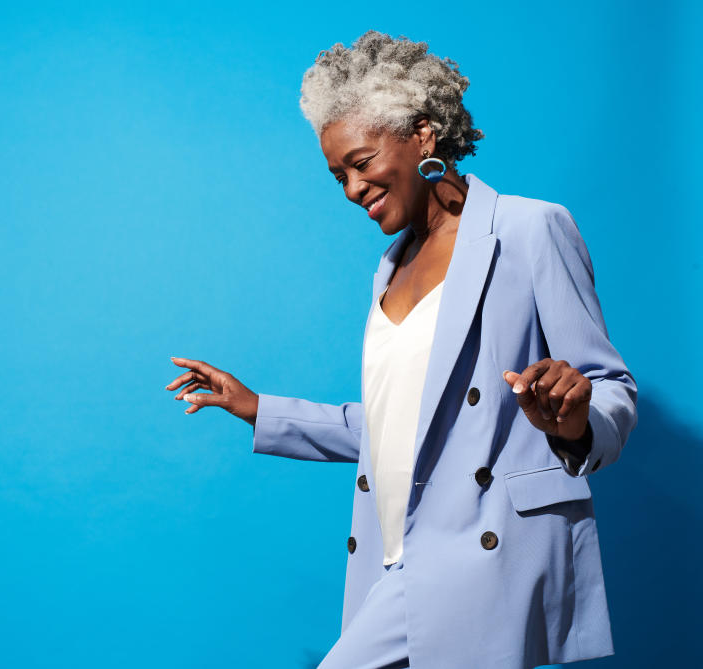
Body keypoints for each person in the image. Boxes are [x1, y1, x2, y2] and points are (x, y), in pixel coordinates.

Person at [164, 31, 637, 669]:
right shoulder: (391, 265)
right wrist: (259, 409)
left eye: (361, 163)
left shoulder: (528, 229)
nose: (352, 189)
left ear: (422, 135)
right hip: (394, 551)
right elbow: (401, 428)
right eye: (338, 176)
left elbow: (609, 385)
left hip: (482, 549)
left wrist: (577, 420)